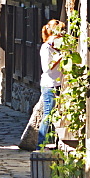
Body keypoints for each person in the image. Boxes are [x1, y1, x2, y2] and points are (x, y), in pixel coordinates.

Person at [38, 19, 65, 148]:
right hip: (49, 85)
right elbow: (46, 68)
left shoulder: (56, 46)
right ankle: (40, 145)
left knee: (55, 114)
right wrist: (59, 58)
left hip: (57, 84)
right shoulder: (46, 48)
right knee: (48, 114)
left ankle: (52, 142)